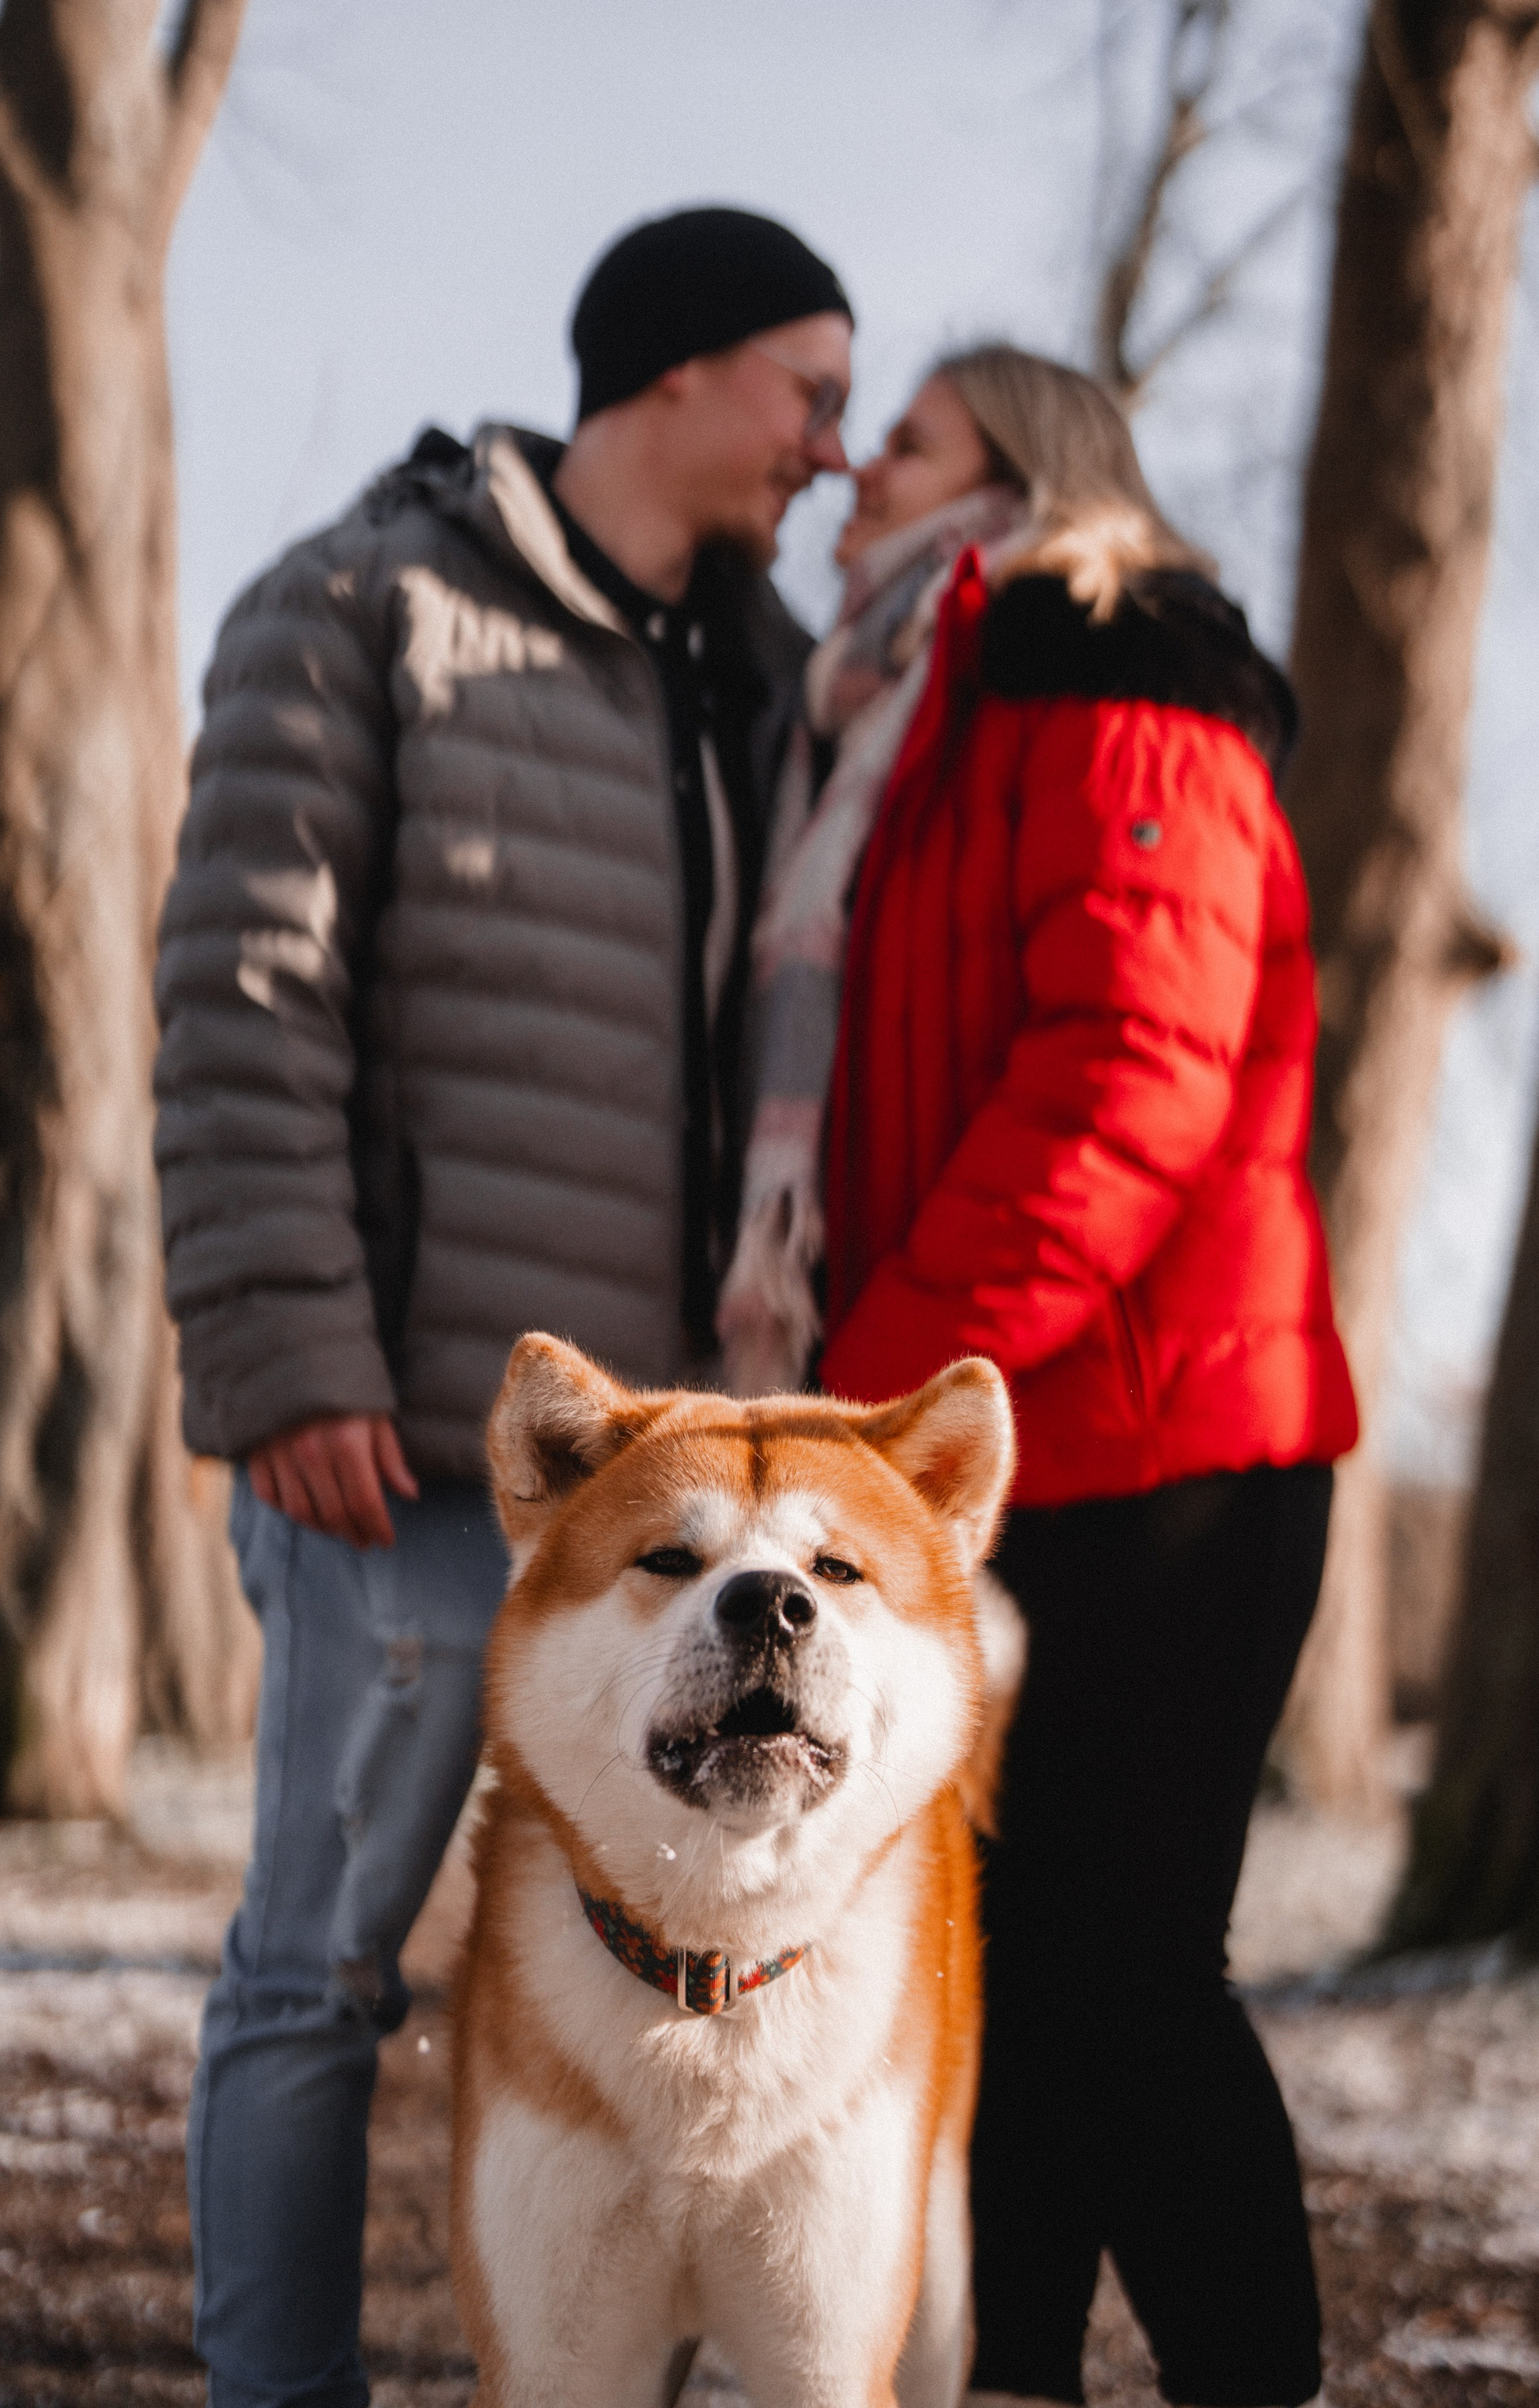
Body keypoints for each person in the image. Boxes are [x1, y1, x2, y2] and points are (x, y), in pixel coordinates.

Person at [154, 205, 853, 2408]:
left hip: (668, 1513)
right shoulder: (369, 608)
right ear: (672, 371)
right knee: (321, 1975)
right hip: (406, 1450)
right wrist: (290, 1349)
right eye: (808, 390)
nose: (830, 447)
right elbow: (246, 994)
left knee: (646, 1988)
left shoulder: (763, 678)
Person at [731, 344, 1358, 2407]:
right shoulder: (914, 716)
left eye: (896, 440)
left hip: (1168, 1447)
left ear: (1017, 474)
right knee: (1005, 1975)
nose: (847, 478)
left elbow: (1129, 1073)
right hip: (1024, 1447)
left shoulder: (1118, 664)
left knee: (1121, 1976)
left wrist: (881, 1385)